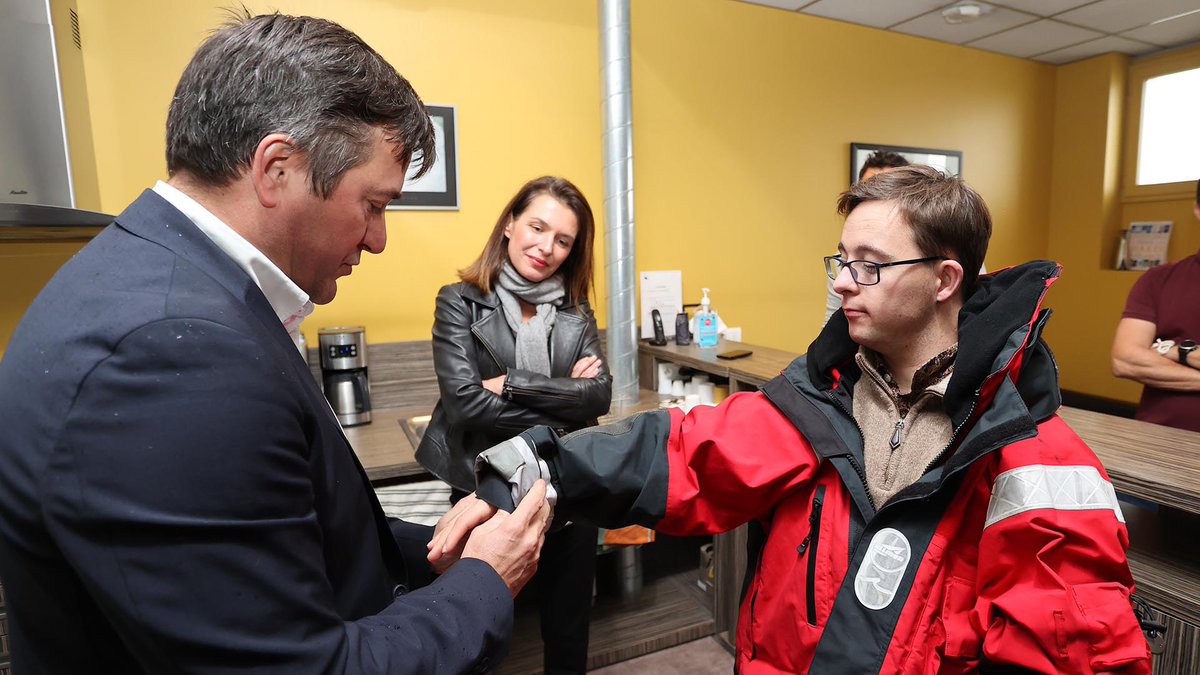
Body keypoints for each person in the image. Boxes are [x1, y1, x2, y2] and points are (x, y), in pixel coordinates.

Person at [0, 13, 551, 675]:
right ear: (278, 168)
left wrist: (442, 544)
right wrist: (486, 580)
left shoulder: (177, 290)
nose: (377, 239)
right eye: (373, 205)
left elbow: (286, 542)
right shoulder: (172, 354)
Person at [436, 166, 1151, 674]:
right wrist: (533, 468)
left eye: (869, 264)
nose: (842, 280)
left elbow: (1070, 650)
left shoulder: (1039, 462)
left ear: (944, 280)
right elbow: (684, 453)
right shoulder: (819, 398)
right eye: (842, 259)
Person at [416, 175, 612, 674]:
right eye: (537, 227)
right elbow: (464, 404)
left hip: (564, 482)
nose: (546, 248)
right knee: (474, 620)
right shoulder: (459, 300)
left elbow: (599, 395)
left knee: (568, 627)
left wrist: (511, 384)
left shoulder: (576, 312)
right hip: (482, 485)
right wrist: (562, 396)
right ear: (510, 224)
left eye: (563, 240)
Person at [1111, 178, 1200, 432]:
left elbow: (1139, 356)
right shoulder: (1158, 279)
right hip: (1157, 442)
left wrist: (1173, 350)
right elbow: (1125, 360)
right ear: (1197, 208)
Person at [823, 150, 911, 325]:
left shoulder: (948, 254)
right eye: (868, 190)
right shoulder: (844, 261)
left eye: (871, 265)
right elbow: (831, 323)